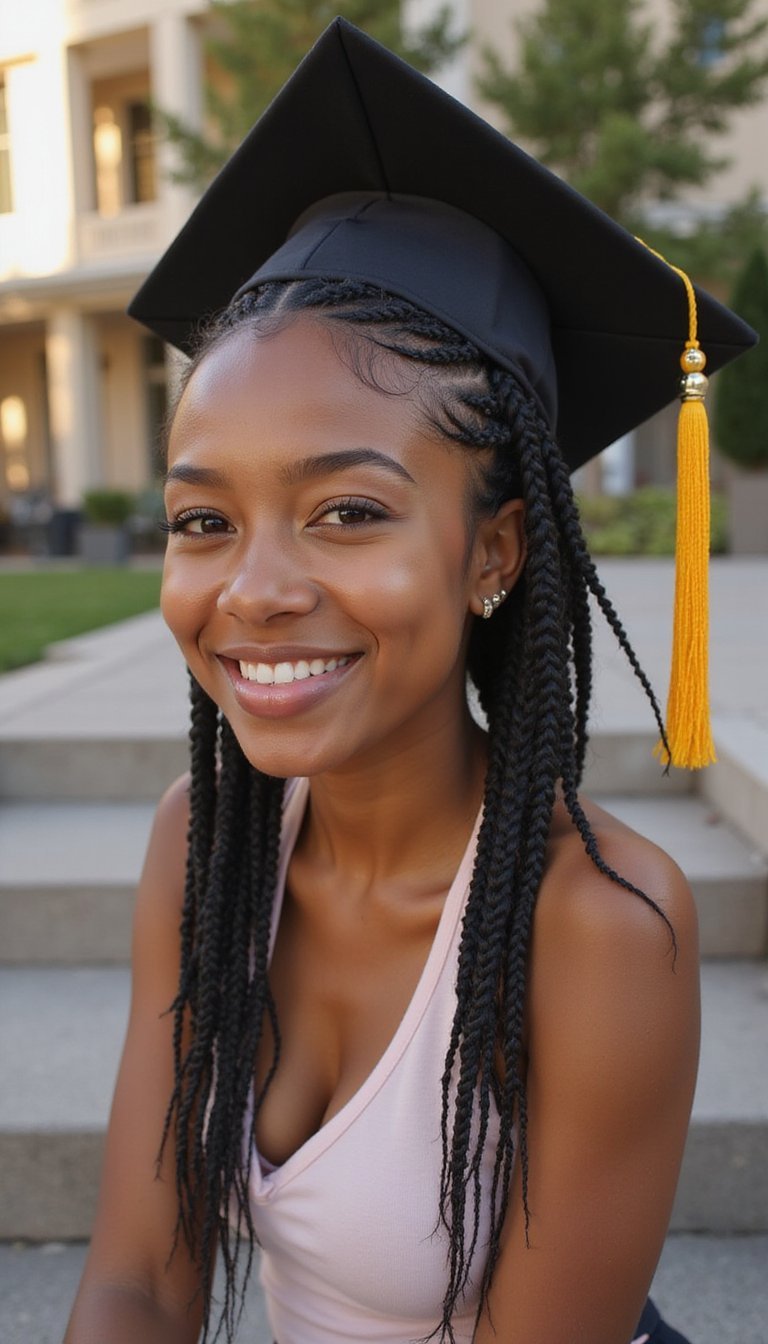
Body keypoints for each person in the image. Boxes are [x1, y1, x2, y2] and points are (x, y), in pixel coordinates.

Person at [64, 19, 755, 1344]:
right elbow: (136, 1279)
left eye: (346, 512)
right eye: (204, 520)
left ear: (493, 550)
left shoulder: (601, 928)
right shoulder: (199, 843)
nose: (252, 586)